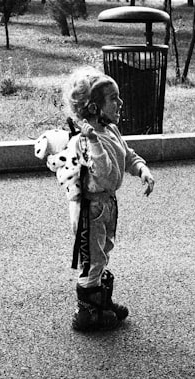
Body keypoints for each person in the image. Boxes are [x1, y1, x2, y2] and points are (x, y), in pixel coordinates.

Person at [62, 66, 155, 332]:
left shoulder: (111, 131)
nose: (120, 103)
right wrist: (93, 141)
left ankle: (102, 302)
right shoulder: (85, 140)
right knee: (93, 258)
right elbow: (104, 175)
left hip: (106, 205)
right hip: (90, 209)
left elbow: (126, 154)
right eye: (114, 98)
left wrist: (141, 169)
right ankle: (87, 312)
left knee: (103, 254)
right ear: (93, 108)